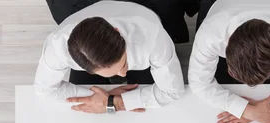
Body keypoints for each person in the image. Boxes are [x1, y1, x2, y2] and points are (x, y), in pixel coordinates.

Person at [34, 1, 185, 114]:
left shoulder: (153, 38)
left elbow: (173, 91)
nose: (123, 74)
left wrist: (117, 103)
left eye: (123, 63)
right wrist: (101, 98)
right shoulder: (57, 47)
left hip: (142, 15)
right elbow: (44, 90)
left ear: (117, 31)